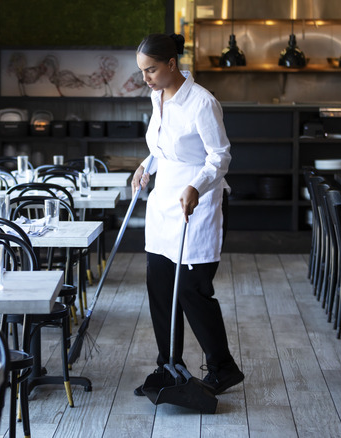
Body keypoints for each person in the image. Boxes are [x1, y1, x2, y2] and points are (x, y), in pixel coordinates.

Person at [132, 33, 244, 397]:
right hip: (163, 201)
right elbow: (163, 149)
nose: (145, 78)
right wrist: (144, 166)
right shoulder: (157, 97)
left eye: (151, 70)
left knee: (193, 291)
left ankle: (222, 367)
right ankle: (169, 365)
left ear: (170, 64)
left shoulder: (202, 102)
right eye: (142, 71)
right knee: (161, 288)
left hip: (197, 203)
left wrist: (197, 186)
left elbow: (220, 157)